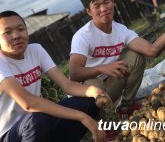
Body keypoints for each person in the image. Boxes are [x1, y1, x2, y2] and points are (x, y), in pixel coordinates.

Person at [69, 0, 165, 120]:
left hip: (110, 85)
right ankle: (101, 125)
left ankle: (125, 106)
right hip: (86, 96)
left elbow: (152, 51)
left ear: (113, 3)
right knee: (92, 81)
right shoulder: (83, 36)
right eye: (97, 6)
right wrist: (102, 69)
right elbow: (74, 74)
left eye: (106, 2)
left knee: (135, 56)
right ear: (89, 12)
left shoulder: (120, 30)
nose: (103, 9)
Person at [0, 11, 107, 142]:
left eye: (20, 29)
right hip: (9, 134)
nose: (16, 36)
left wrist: (92, 91)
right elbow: (28, 103)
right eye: (7, 32)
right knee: (36, 119)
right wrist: (82, 116)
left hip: (38, 124)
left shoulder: (36, 50)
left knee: (89, 101)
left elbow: (66, 85)